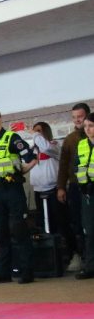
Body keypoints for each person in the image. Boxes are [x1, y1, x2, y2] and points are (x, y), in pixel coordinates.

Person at [0, 107, 37, 284]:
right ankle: (4, 271)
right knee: (1, 232)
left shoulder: (12, 138)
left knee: (19, 230)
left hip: (12, 189)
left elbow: (31, 158)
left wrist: (20, 172)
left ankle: (26, 270)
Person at [57, 103, 90, 272]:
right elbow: (63, 165)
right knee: (78, 224)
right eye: (74, 117)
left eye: (80, 116)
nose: (77, 120)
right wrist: (61, 187)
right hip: (76, 188)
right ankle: (84, 258)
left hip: (91, 187)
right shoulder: (70, 140)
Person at [74, 112, 94, 279]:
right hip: (87, 192)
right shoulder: (81, 145)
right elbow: (77, 167)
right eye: (86, 126)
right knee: (89, 231)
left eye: (91, 126)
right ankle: (90, 267)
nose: (87, 129)